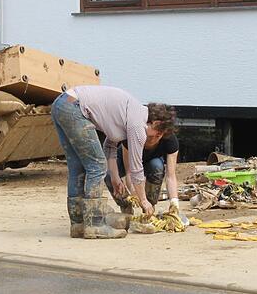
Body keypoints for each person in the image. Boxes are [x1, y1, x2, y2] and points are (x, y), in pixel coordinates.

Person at [51, 85, 177, 240]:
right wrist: (144, 201)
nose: (157, 137)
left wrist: (115, 178)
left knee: (78, 167)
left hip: (61, 103)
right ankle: (95, 224)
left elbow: (110, 145)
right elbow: (136, 169)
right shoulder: (138, 125)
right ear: (156, 122)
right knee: (97, 165)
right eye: (159, 133)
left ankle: (78, 224)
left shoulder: (130, 113)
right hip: (75, 107)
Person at [105, 130, 181, 216]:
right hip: (129, 161)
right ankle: (126, 206)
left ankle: (150, 206)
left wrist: (174, 202)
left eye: (157, 137)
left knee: (157, 166)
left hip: (150, 161)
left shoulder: (170, 140)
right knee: (108, 175)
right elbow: (129, 173)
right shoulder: (131, 135)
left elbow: (171, 176)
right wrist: (135, 193)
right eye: (150, 137)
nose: (152, 140)